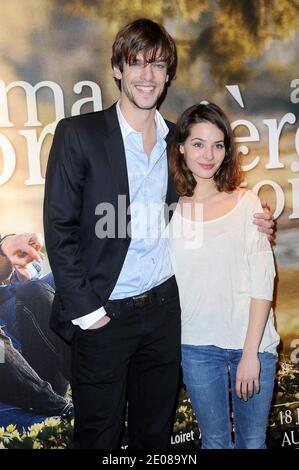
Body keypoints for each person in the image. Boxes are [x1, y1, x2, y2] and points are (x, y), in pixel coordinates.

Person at [43, 19, 274, 450]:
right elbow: (59, 229)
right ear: (117, 69)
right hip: (103, 314)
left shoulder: (177, 141)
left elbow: (213, 196)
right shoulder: (80, 135)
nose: (147, 75)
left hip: (166, 314)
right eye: (137, 63)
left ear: (168, 75)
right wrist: (89, 313)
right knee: (99, 436)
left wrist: (256, 217)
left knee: (155, 436)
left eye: (159, 65)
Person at [168, 102, 280, 449]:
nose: (208, 155)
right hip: (197, 347)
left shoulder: (248, 204)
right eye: (198, 143)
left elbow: (264, 281)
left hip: (253, 346)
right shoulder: (166, 211)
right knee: (214, 443)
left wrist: (250, 354)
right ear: (182, 147)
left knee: (252, 442)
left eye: (218, 145)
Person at [0, 232, 72, 430]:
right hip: (9, 385)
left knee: (39, 289)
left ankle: (96, 389)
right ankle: (63, 411)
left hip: (31, 351)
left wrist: (9, 249)